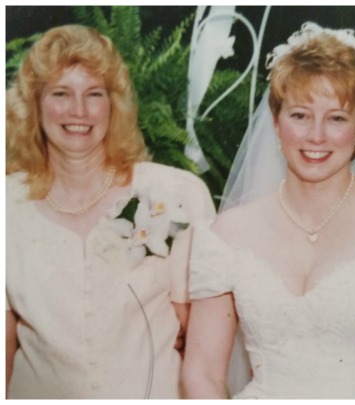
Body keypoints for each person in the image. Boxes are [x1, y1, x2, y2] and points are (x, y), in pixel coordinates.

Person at [181, 22, 355, 399]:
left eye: (336, 118)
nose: (316, 135)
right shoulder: (226, 232)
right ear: (275, 121)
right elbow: (200, 374)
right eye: (300, 115)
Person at [5, 25, 216, 399]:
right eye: (60, 93)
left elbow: (199, 350)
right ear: (34, 105)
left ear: (114, 104)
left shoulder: (175, 194)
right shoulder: (7, 205)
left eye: (94, 94)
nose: (79, 111)